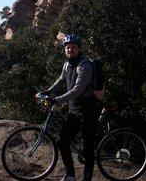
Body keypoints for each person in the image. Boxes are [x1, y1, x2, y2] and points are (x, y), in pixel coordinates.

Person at [36, 33, 101, 181]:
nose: (70, 50)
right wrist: (48, 91)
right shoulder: (67, 64)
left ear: (79, 49)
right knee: (62, 141)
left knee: (88, 147)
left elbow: (77, 90)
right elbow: (61, 80)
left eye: (73, 48)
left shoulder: (84, 66)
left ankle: (87, 178)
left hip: (88, 110)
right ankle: (70, 175)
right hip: (74, 110)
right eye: (67, 48)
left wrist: (55, 100)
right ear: (64, 50)